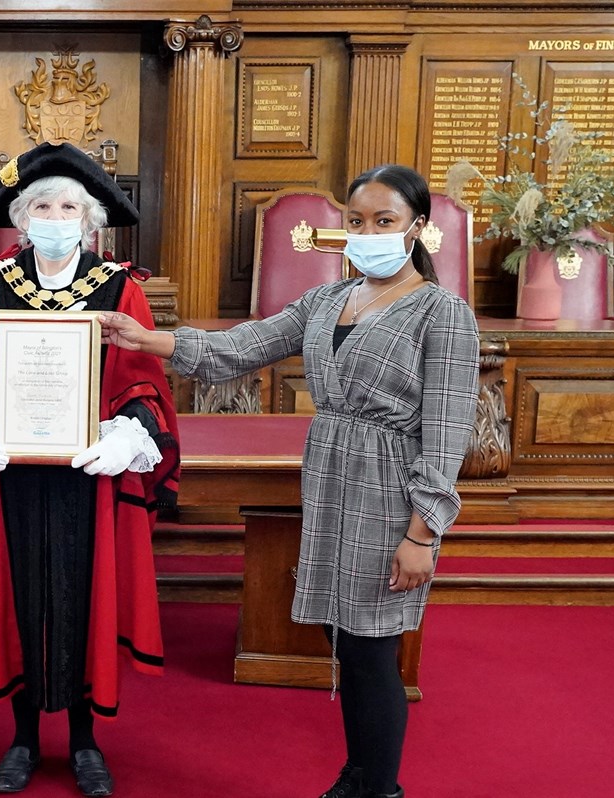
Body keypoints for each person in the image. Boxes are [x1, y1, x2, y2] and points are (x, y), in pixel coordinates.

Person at [98, 164, 479, 798]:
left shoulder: (442, 313)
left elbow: (447, 429)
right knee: (340, 633)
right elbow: (243, 346)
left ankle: (380, 787)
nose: (367, 233)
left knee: (371, 644)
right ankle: (358, 774)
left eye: (384, 221)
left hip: (390, 487)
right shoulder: (329, 299)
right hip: (329, 478)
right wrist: (149, 338)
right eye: (356, 221)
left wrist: (424, 531)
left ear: (416, 228)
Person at [0, 142, 180, 797]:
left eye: (68, 204)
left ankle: (83, 743)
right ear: (21, 216)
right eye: (41, 203)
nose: (55, 213)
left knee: (81, 600)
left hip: (87, 473)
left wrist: (127, 433)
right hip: (12, 472)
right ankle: (20, 738)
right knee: (17, 599)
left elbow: (144, 382)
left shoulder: (121, 287)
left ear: (90, 220)